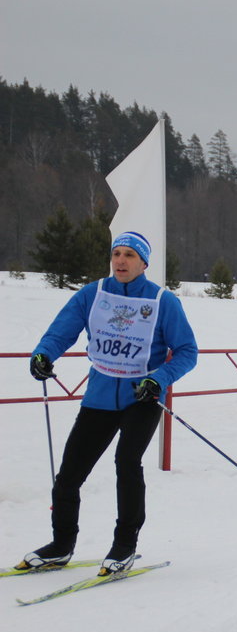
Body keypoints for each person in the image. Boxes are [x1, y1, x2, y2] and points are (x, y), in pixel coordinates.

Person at [18, 232, 198, 575]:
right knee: (69, 474)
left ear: (144, 263)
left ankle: (124, 545)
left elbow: (188, 351)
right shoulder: (93, 293)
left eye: (130, 255)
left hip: (141, 397)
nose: (121, 260)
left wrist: (158, 379)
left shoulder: (162, 300)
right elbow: (61, 331)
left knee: (127, 463)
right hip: (99, 396)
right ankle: (61, 545)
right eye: (116, 253)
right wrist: (43, 354)